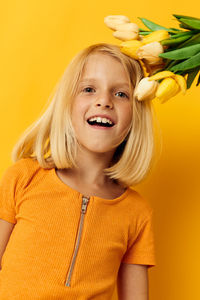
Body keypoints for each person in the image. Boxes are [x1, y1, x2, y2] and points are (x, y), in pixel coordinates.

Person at [0, 43, 156, 299]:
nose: (103, 101)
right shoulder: (23, 178)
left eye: (121, 94)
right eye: (88, 89)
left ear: (136, 115)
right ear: (67, 103)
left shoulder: (137, 213)